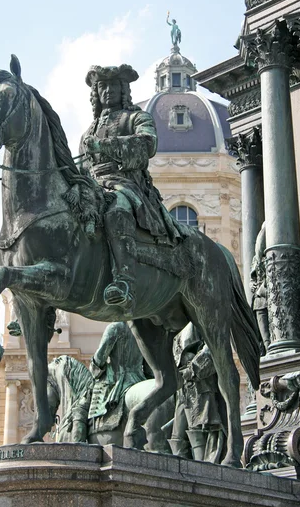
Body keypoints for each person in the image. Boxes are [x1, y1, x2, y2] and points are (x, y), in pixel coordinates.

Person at [80, 64, 182, 314]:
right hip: (92, 187)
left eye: (113, 85)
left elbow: (147, 144)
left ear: (123, 89)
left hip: (125, 183)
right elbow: (81, 168)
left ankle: (125, 281)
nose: (107, 91)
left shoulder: (137, 117)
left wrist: (104, 146)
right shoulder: (88, 131)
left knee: (118, 209)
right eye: (102, 86)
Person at [169, 323, 226, 463]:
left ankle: (203, 469)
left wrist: (192, 369)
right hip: (182, 386)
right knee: (177, 435)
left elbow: (212, 347)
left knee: (200, 429)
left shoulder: (200, 319)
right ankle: (179, 473)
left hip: (201, 384)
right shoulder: (174, 325)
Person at [88, 321, 146, 427]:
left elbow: (99, 360)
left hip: (118, 382)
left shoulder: (115, 327)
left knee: (81, 406)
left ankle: (79, 441)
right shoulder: (144, 329)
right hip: (141, 380)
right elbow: (149, 369)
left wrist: (93, 367)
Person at [250, 222, 270, 353]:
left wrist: (261, 288)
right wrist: (254, 286)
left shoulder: (270, 256)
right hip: (258, 303)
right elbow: (253, 277)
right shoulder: (256, 260)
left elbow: (274, 274)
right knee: (264, 337)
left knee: (270, 336)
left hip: (269, 298)